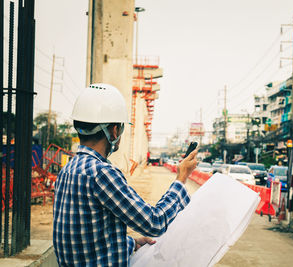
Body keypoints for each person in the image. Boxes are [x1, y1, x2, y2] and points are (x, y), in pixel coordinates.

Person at [53, 83, 198, 266]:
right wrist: (181, 178)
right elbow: (155, 222)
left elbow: (87, 238)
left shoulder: (67, 170)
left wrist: (132, 244)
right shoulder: (101, 174)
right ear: (114, 130)